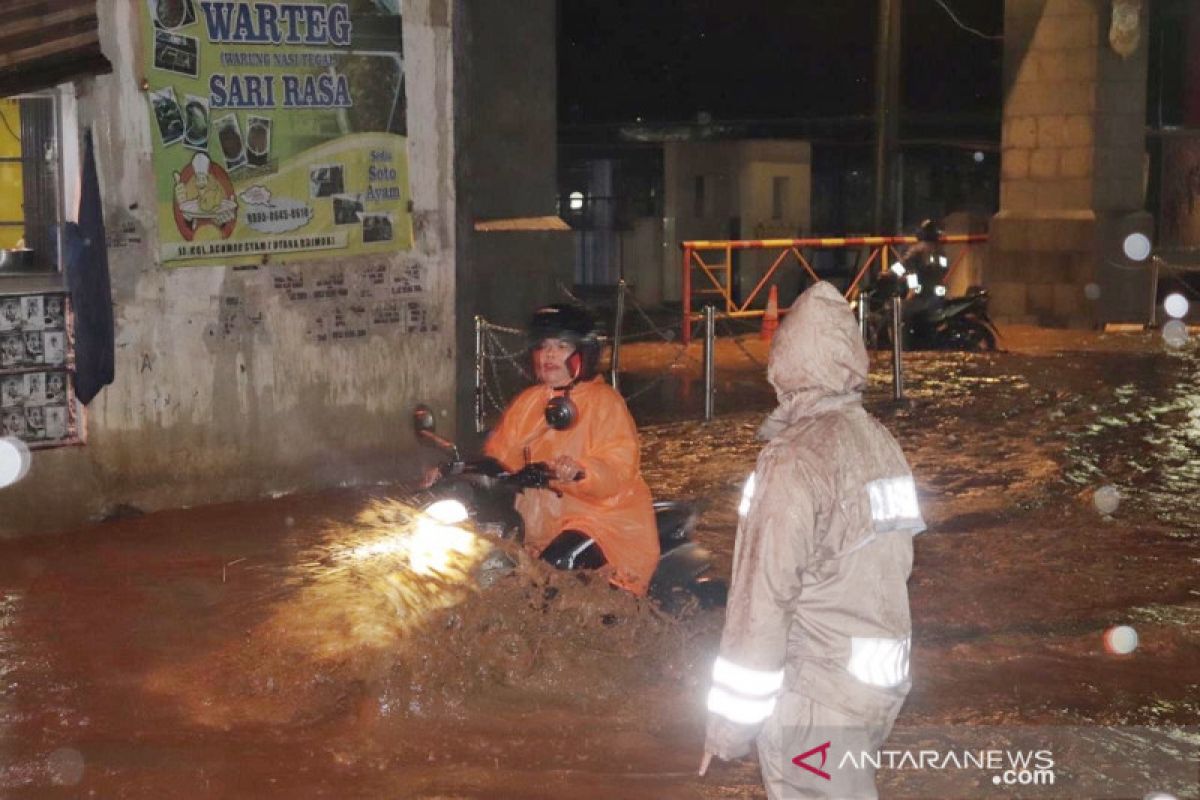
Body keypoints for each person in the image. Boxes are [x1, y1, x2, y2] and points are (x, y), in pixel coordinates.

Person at [700, 282, 925, 799]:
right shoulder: (880, 442)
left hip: (815, 691)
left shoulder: (793, 460)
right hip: (875, 689)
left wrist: (729, 727)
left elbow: (762, 602)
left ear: (785, 363)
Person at [483, 303, 660, 596]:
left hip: (602, 521)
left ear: (582, 353)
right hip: (539, 524)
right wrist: (458, 471)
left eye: (561, 346)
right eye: (544, 346)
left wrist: (581, 471)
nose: (550, 354)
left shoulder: (605, 402)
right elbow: (500, 455)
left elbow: (618, 464)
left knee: (556, 566)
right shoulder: (528, 403)